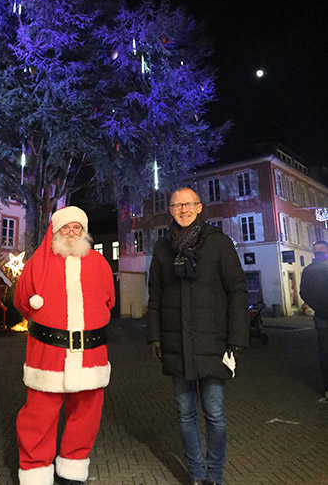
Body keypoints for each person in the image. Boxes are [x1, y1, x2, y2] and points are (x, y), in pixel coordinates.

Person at [146, 187, 249, 485]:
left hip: (213, 343)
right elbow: (155, 293)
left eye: (189, 204)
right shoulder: (163, 248)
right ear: (171, 209)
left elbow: (237, 290)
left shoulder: (219, 243)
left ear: (200, 207)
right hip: (176, 342)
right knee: (185, 413)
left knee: (215, 414)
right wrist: (154, 336)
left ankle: (214, 476)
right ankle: (196, 475)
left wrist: (237, 338)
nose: (184, 209)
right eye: (177, 205)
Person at [14, 206, 115, 485]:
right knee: (39, 415)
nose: (71, 233)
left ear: (84, 232)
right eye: (65, 228)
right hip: (48, 353)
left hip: (90, 353)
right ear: (55, 232)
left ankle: (72, 467)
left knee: (86, 413)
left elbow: (109, 300)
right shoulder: (38, 263)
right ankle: (35, 470)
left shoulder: (99, 263)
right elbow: (22, 300)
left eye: (77, 228)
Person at [300, 240, 328, 400]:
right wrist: (319, 307)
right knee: (325, 352)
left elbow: (304, 293)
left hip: (322, 316)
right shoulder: (309, 271)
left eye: (321, 249)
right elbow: (304, 292)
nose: (318, 251)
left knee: (325, 352)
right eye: (316, 249)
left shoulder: (309, 270)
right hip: (322, 317)